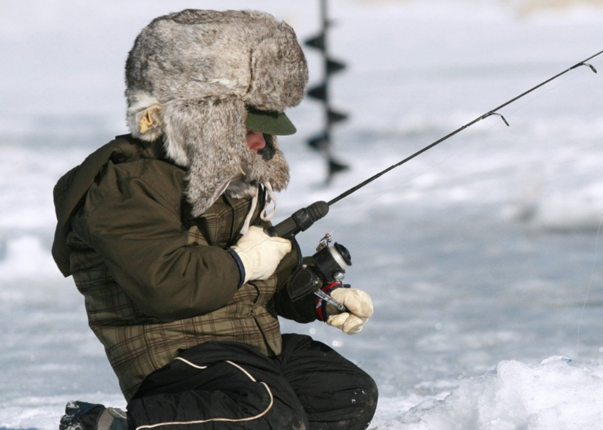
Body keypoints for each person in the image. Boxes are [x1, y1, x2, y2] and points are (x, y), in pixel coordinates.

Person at [51, 9, 377, 430]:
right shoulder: (127, 187)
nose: (261, 142)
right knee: (267, 412)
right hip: (173, 355)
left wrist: (319, 297)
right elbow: (165, 285)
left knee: (343, 395)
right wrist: (242, 264)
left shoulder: (235, 179)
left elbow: (273, 277)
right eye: (247, 128)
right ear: (201, 123)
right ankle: (110, 427)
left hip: (247, 345)